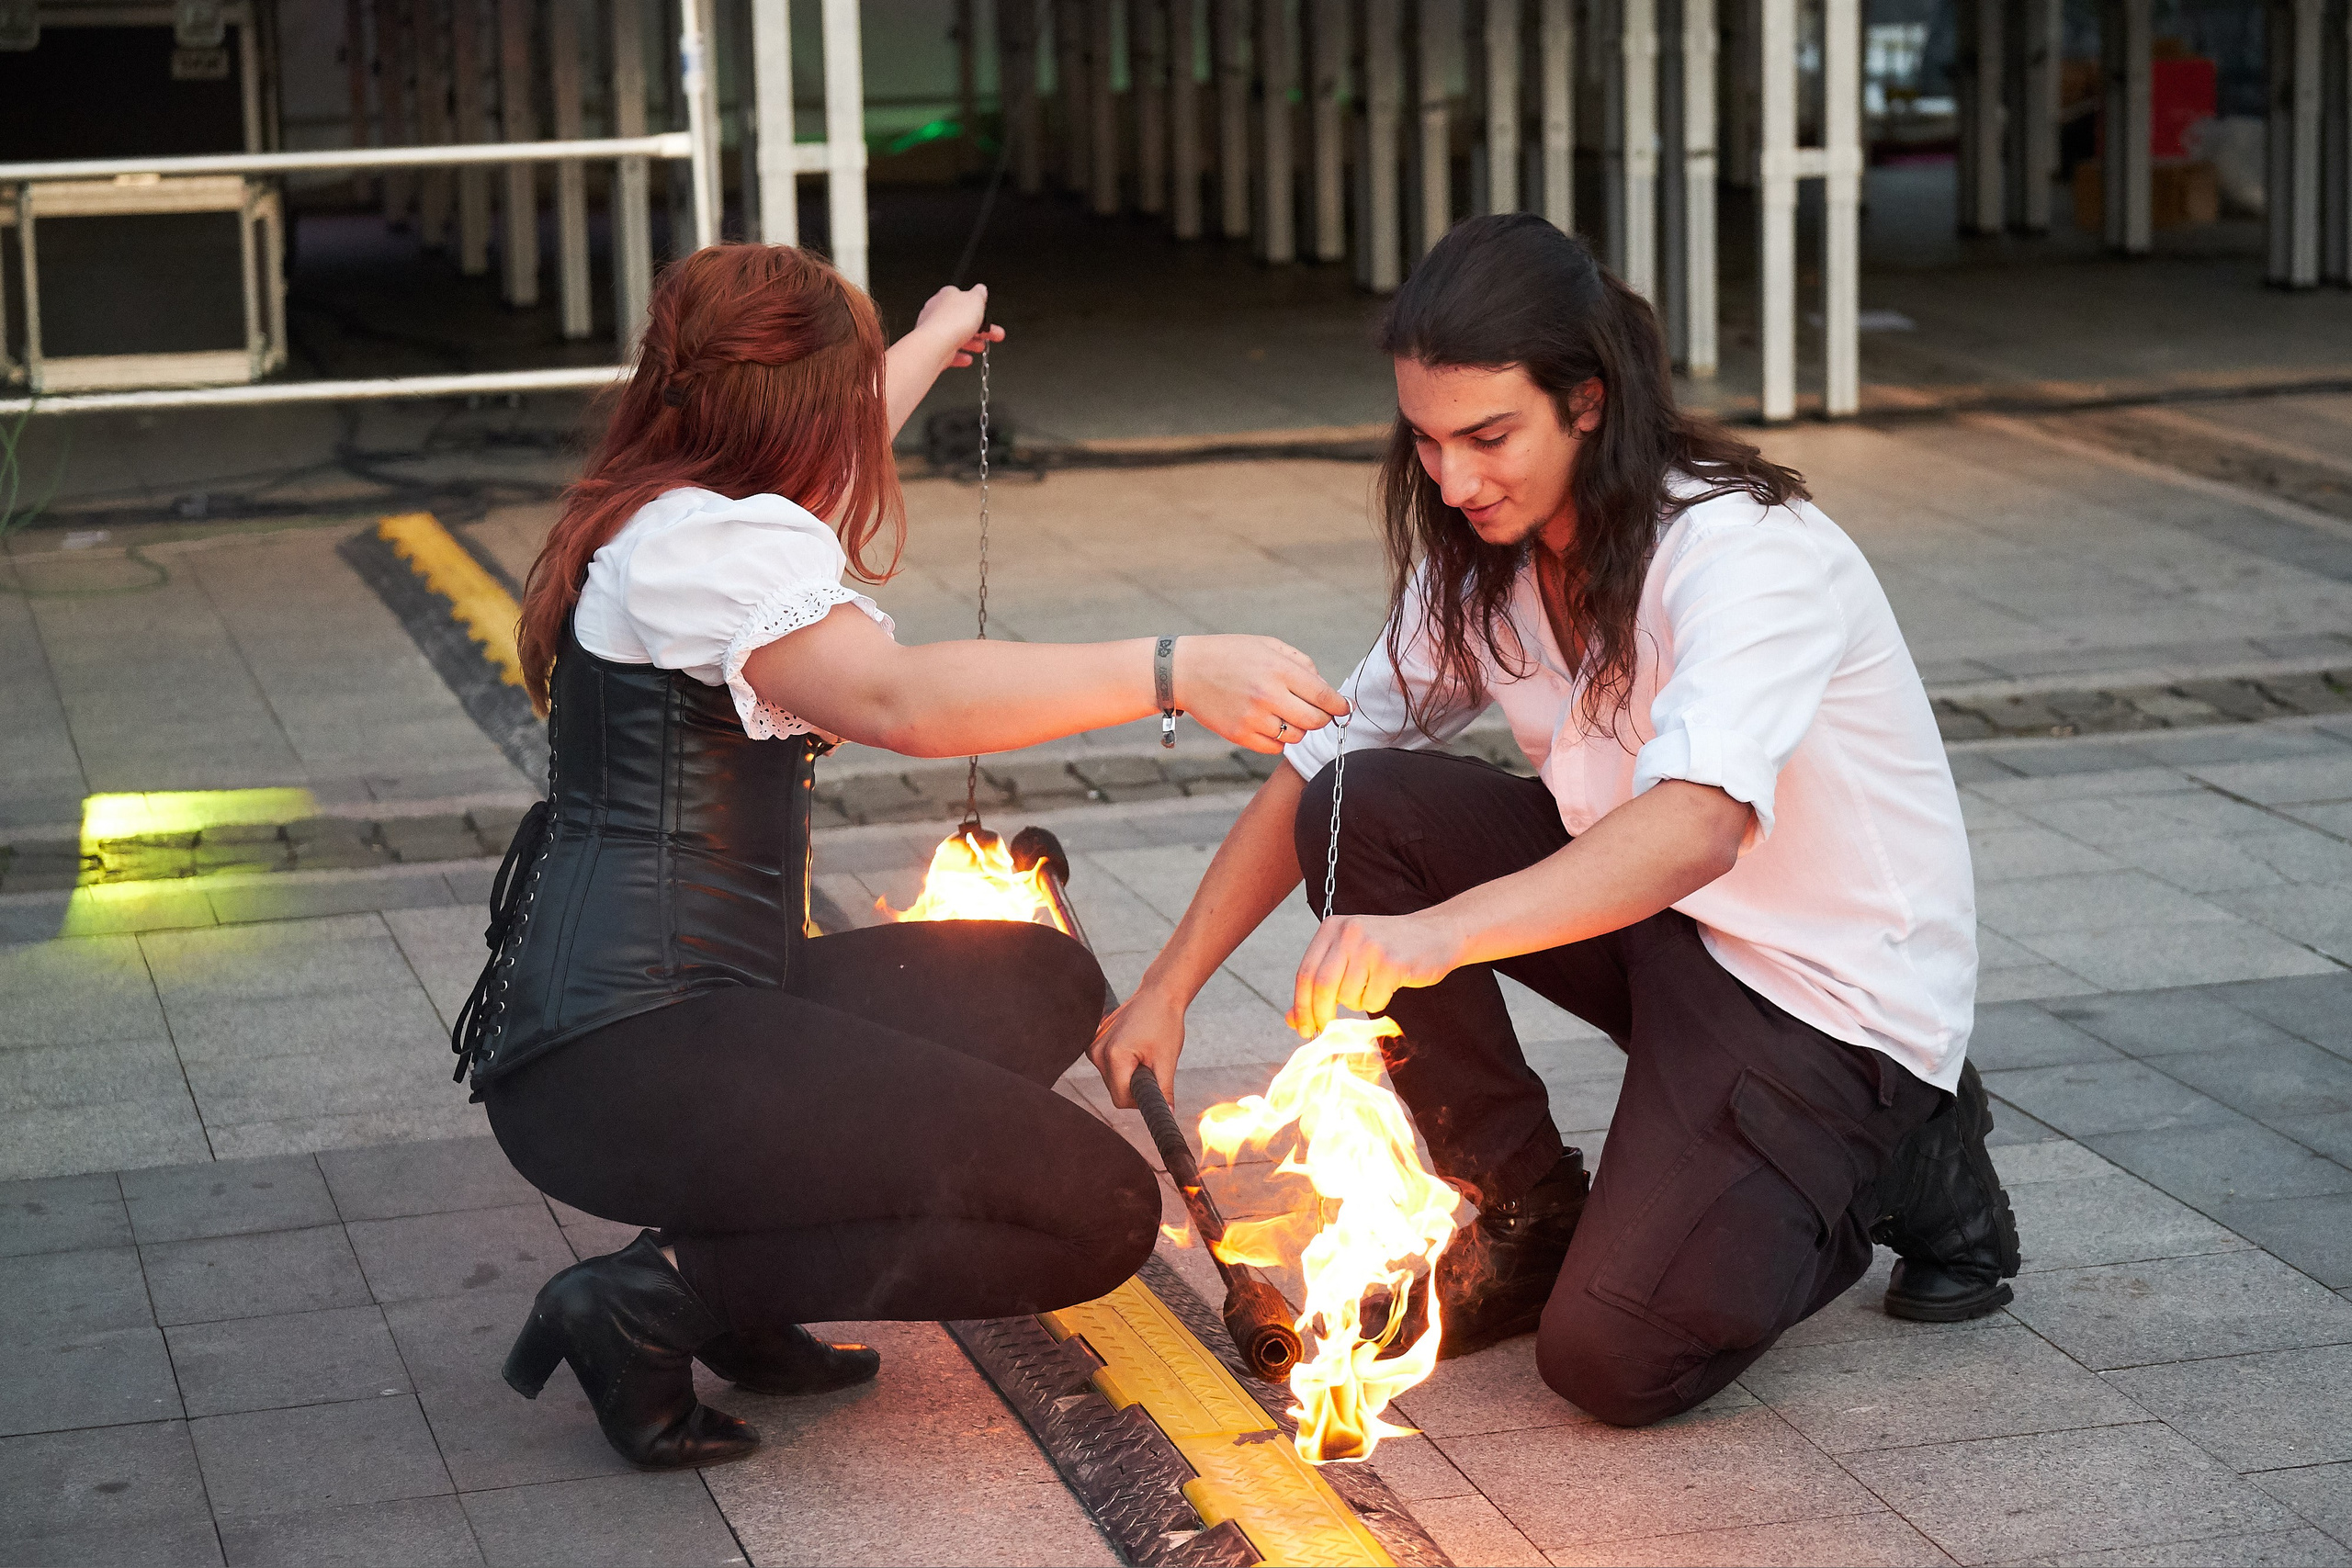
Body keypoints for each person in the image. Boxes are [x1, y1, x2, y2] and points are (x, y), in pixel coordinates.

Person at [1090, 214, 2018, 1428]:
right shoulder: (1485, 547)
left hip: (1822, 999)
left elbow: (1694, 826)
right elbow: (1328, 757)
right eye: (1425, 442)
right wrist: (1167, 989)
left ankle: (1900, 1146)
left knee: (1614, 1363)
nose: (1454, 480)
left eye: (1488, 438)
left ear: (1587, 401)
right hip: (1662, 931)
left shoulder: (1743, 553)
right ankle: (1527, 1214)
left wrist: (1437, 935)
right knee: (1351, 807)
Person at [456, 243, 1350, 1470]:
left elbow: (827, 436)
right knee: (1099, 1213)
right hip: (616, 1063)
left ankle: (738, 1284)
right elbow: (904, 699)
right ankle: (661, 1299)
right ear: (791, 416)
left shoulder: (683, 503)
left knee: (1037, 981)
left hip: (700, 1009)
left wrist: (934, 335)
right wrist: (1173, 669)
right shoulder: (703, 553)